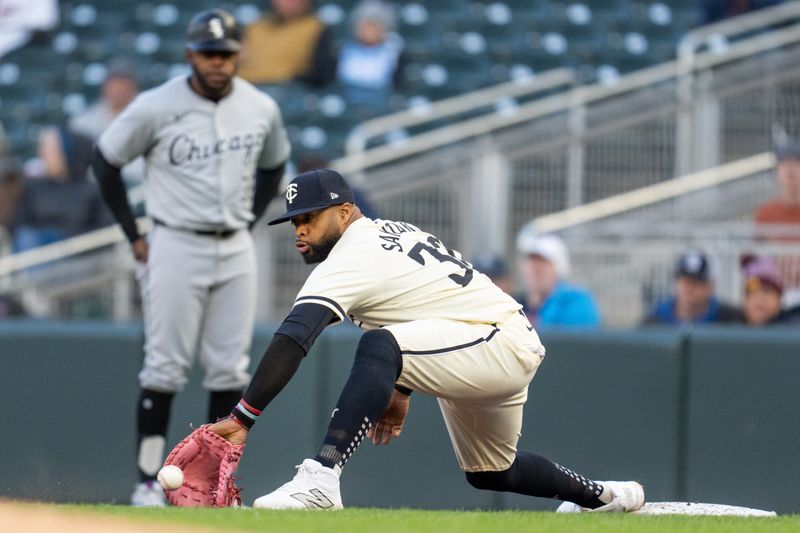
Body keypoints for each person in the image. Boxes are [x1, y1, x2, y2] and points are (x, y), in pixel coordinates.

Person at [198, 168, 645, 512]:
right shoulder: (392, 232)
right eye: (294, 220)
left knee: (379, 346)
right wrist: (402, 384)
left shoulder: (353, 253)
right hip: (487, 339)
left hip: (495, 339)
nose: (300, 230)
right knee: (492, 471)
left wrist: (243, 417)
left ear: (346, 212)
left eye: (310, 218)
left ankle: (320, 479)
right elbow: (425, 301)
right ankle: (605, 496)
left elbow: (296, 335)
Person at [90, 9, 291, 507]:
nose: (217, 62)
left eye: (225, 53)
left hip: (235, 245)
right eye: (208, 53)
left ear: (239, 54)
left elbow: (273, 166)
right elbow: (106, 160)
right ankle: (145, 482)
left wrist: (250, 217)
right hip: (175, 241)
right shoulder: (156, 106)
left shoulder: (260, 106)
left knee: (228, 370)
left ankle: (212, 486)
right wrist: (133, 232)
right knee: (164, 368)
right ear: (190, 55)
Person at [13, 127, 111, 252]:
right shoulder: (33, 188)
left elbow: (104, 233)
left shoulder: (91, 191)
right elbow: (21, 224)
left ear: (65, 152)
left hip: (82, 257)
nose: (41, 154)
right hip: (40, 255)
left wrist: (66, 240)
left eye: (48, 150)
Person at [237, 0, 336, 88]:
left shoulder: (316, 28)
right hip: (243, 86)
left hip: (286, 91)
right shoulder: (255, 27)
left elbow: (322, 76)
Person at [515, 229, 601, 328]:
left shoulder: (575, 301)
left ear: (558, 269)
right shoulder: (515, 304)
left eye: (543, 265)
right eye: (531, 263)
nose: (535, 271)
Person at [335, 0, 405, 114]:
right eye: (363, 24)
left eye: (372, 24)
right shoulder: (345, 51)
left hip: (381, 106)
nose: (367, 30)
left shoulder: (394, 52)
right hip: (349, 104)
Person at [754, 137, 800, 301]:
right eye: (784, 164)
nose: (791, 171)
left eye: (796, 163)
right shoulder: (765, 213)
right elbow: (755, 259)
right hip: (774, 290)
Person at [641, 249, 739, 326]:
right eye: (683, 280)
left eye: (695, 282)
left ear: (710, 286)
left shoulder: (729, 319)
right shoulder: (655, 320)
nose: (688, 288)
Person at [70, 60, 139, 141]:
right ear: (105, 88)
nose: (119, 92)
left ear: (134, 89)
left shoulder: (144, 115)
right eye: (115, 87)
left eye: (124, 86)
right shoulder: (85, 121)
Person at [738, 255, 800, 325]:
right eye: (754, 294)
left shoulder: (791, 326)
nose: (760, 299)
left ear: (780, 301)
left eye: (767, 292)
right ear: (745, 300)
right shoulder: (729, 323)